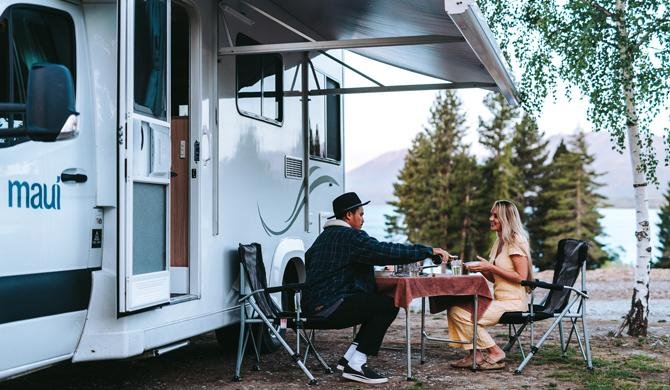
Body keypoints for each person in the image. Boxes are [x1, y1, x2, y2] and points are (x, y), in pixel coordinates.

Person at [302, 192, 449, 384]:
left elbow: (323, 263)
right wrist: (428, 251)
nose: (363, 219)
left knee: (375, 303)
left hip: (311, 308)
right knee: (387, 305)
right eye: (361, 214)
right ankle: (356, 365)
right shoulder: (351, 237)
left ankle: (349, 359)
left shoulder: (322, 238)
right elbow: (387, 250)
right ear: (349, 215)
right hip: (330, 308)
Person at [447, 199, 533, 370]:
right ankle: (475, 355)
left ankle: (495, 352)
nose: (490, 218)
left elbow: (522, 277)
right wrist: (482, 270)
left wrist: (490, 266)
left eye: (496, 215)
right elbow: (497, 279)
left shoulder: (516, 241)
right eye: (491, 214)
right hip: (499, 299)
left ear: (506, 219)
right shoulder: (499, 241)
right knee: (455, 309)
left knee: (462, 314)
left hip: (513, 303)